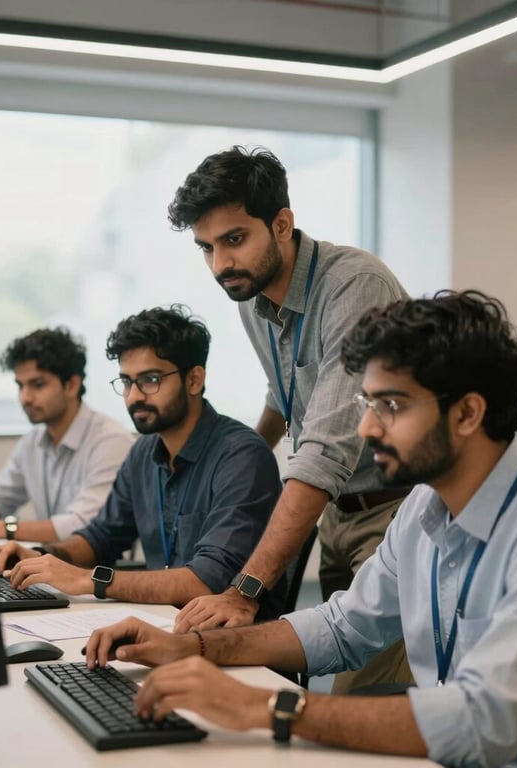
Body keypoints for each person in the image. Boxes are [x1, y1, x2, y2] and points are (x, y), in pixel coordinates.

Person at [85, 290, 517, 767]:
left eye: (390, 405)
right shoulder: (423, 509)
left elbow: (484, 723)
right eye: (368, 403)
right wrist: (193, 647)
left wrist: (261, 705)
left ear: (468, 413)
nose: (365, 427)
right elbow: (343, 627)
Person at [168, 145, 410, 690]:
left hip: (395, 513)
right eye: (206, 247)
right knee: (312, 673)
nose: (220, 264)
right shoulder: (252, 297)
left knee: (360, 702)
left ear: (282, 224)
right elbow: (288, 394)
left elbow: (326, 447)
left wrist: (244, 589)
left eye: (234, 240)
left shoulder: (354, 287)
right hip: (337, 516)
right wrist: (240, 460)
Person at [0, 306, 285, 615]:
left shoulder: (241, 457)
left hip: (231, 644)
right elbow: (100, 538)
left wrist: (88, 579)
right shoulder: (144, 452)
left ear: (194, 380)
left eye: (151, 380)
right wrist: (42, 556)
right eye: (127, 382)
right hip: (162, 623)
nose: (134, 397)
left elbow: (207, 581)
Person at [0, 327, 133, 543]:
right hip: (46, 567)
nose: (25, 397)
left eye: (37, 384)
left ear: (72, 385)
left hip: (93, 572)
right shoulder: (31, 443)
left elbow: (82, 525)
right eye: (20, 386)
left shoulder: (110, 441)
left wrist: (0, 528)